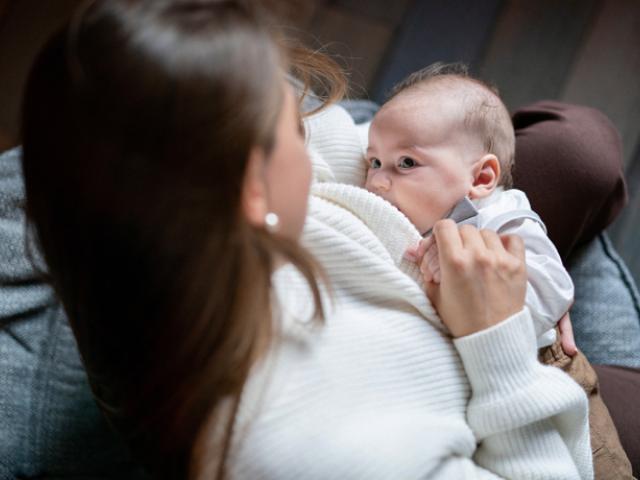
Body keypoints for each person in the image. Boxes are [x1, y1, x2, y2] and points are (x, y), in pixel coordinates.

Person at [15, 0, 640, 478]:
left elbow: (361, 137)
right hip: (526, 402)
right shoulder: (309, 443)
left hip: (453, 283)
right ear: (251, 190)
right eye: (292, 125)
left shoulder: (155, 223)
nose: (316, 125)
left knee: (577, 146)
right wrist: (499, 339)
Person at [362, 62, 631, 478]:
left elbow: (554, 288)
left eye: (406, 164)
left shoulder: (504, 217)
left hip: (550, 368)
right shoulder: (409, 213)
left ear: (482, 177)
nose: (377, 182)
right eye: (374, 162)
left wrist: (469, 278)